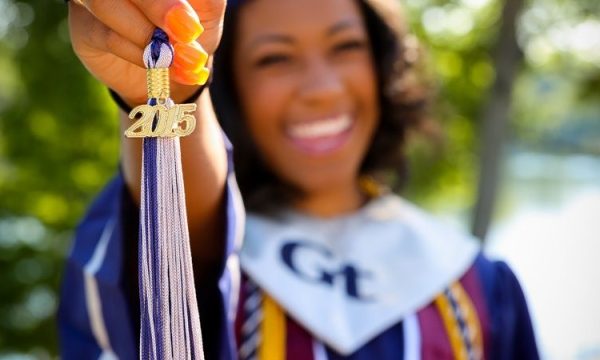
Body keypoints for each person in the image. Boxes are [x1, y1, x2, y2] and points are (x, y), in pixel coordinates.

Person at [59, 0, 540, 359]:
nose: (322, 89)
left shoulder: (476, 284)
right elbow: (186, 230)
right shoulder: (201, 250)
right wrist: (175, 87)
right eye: (274, 58)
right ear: (231, 87)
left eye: (346, 47)